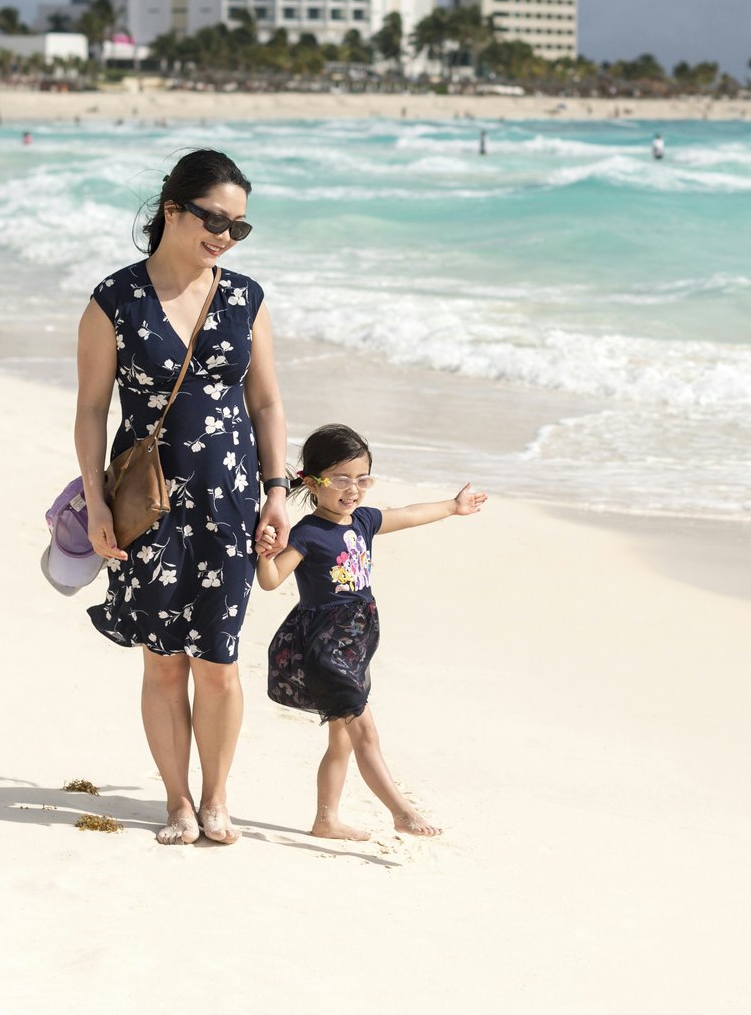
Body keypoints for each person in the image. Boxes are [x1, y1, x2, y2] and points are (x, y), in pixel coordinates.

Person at [75, 148, 292, 846]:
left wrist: (277, 492)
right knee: (164, 661)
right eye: (214, 219)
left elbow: (265, 404)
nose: (225, 236)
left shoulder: (243, 298)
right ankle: (175, 802)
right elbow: (89, 412)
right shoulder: (115, 300)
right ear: (172, 208)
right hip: (150, 507)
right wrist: (96, 503)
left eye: (239, 228)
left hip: (229, 502)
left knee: (219, 662)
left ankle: (217, 799)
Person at [256, 424, 485, 841]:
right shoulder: (308, 533)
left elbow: (411, 514)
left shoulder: (362, 521)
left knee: (341, 739)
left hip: (356, 644)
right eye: (341, 479)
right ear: (312, 481)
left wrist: (453, 506)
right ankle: (402, 811)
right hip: (327, 647)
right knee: (365, 731)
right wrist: (265, 554)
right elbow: (271, 581)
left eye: (362, 479)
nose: (353, 489)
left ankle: (326, 819)